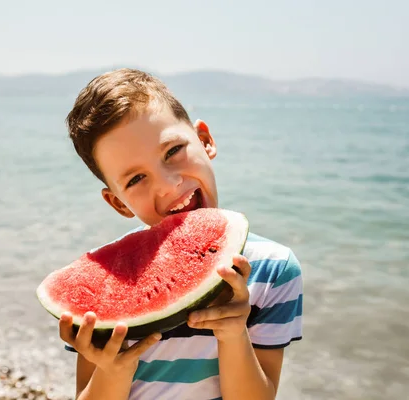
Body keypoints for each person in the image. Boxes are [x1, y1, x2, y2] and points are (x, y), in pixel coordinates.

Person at [58, 68, 303, 400]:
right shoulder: (106, 279)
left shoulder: (274, 269)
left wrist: (233, 336)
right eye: (134, 180)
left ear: (205, 140)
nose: (168, 184)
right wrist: (113, 369)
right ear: (118, 202)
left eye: (172, 152)